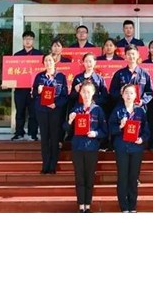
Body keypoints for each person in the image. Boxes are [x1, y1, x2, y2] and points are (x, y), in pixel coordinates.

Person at [65, 80, 108, 213]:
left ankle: (88, 204)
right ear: (80, 93)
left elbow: (104, 131)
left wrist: (95, 133)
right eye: (84, 91)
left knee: (89, 177)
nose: (86, 94)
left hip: (91, 148)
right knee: (79, 177)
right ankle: (81, 204)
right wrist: (70, 121)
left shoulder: (98, 110)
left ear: (93, 93)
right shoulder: (76, 109)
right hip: (77, 147)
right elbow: (65, 129)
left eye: (88, 92)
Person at [108, 84, 150, 212]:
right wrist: (120, 126)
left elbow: (146, 131)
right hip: (122, 148)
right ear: (122, 95)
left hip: (136, 149)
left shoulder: (140, 111)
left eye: (131, 93)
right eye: (126, 93)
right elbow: (110, 129)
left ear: (136, 95)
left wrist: (142, 139)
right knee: (122, 177)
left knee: (133, 177)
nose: (128, 95)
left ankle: (132, 206)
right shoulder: (117, 111)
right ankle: (124, 207)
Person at [31, 53, 68, 174]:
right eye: (46, 60)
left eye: (50, 60)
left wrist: (56, 104)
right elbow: (33, 94)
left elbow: (64, 96)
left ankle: (53, 166)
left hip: (55, 111)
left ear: (55, 62)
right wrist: (38, 91)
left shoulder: (61, 77)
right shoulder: (39, 76)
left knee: (54, 137)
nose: (48, 63)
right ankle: (45, 165)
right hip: (42, 111)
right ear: (43, 63)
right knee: (44, 138)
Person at [11, 30, 43, 141]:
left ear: (33, 41)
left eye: (30, 39)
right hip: (20, 90)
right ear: (23, 41)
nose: (28, 41)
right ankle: (19, 132)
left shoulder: (39, 55)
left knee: (33, 113)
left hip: (34, 89)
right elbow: (12, 72)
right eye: (25, 39)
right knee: (20, 112)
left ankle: (32, 133)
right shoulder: (17, 55)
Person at [109, 45, 153, 109]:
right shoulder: (119, 74)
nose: (131, 56)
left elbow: (150, 92)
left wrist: (143, 101)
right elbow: (112, 91)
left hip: (139, 108)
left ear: (138, 55)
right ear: (125, 56)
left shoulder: (145, 74)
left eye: (133, 54)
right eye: (128, 54)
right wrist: (120, 92)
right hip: (123, 107)